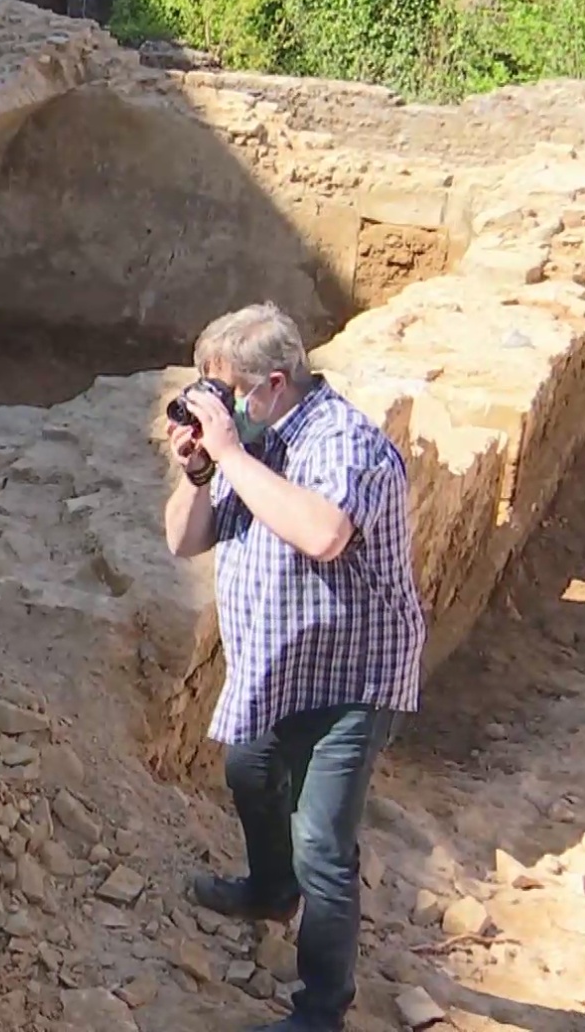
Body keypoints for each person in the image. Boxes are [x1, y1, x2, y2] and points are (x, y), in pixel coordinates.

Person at [161, 302, 426, 1032]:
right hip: (280, 672)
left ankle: (320, 1012)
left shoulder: (343, 444)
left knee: (323, 846)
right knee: (248, 772)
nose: (217, 408)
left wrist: (235, 457)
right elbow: (185, 542)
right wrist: (196, 472)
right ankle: (271, 891)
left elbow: (321, 533)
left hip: (351, 678)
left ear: (273, 385)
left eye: (226, 391)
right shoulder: (256, 442)